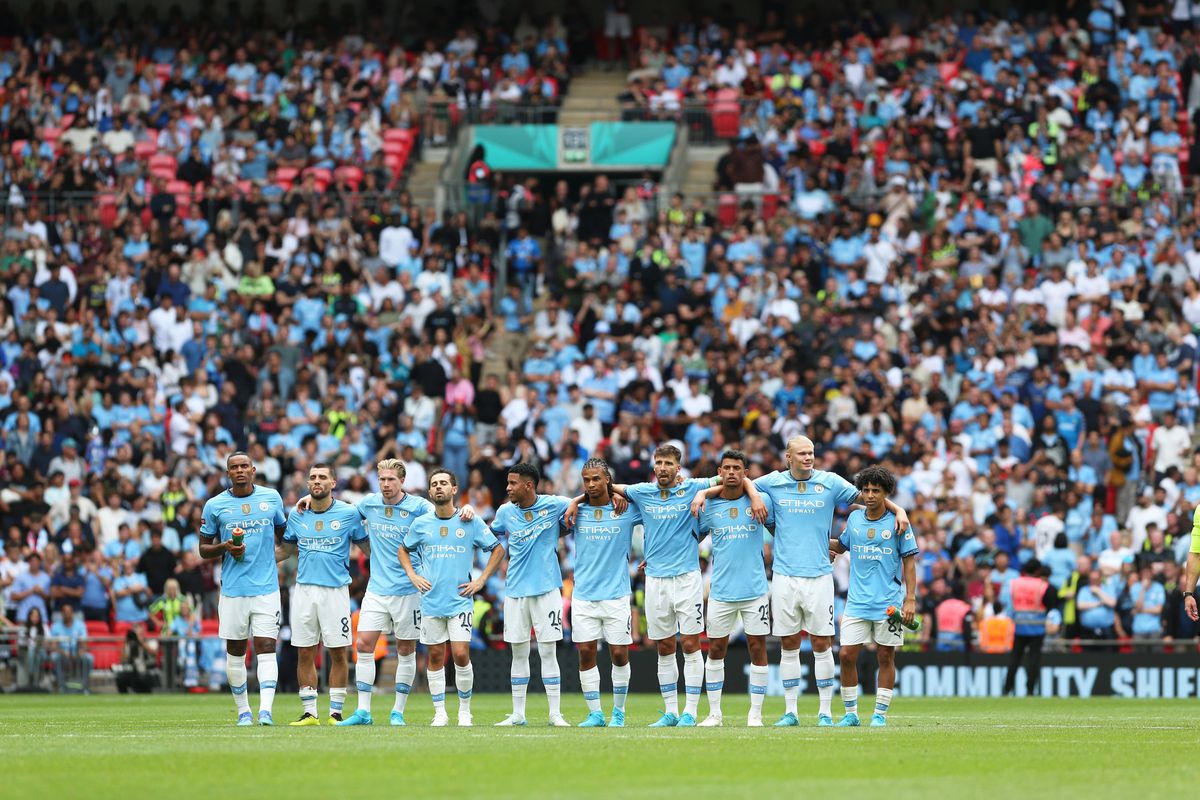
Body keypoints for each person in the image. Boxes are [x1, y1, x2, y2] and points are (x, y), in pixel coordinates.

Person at [693, 435, 907, 726]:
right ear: (788, 457)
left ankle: (825, 713)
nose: (808, 457)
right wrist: (728, 494)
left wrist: (899, 510)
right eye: (802, 453)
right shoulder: (772, 482)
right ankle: (791, 711)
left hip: (819, 575)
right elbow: (740, 481)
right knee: (789, 643)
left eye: (811, 453)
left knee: (822, 642)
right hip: (783, 575)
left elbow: (870, 498)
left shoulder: (830, 482)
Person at [591, 444, 763, 728]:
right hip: (656, 579)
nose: (662, 467)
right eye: (658, 462)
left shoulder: (693, 487)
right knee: (664, 646)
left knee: (692, 644)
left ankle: (690, 712)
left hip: (686, 577)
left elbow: (734, 478)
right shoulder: (642, 492)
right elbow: (606, 485)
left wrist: (742, 494)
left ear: (677, 468)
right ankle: (671, 711)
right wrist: (582, 500)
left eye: (668, 463)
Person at [400, 468, 505, 727]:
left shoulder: (470, 520)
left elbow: (497, 549)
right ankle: (440, 713)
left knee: (460, 654)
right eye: (434, 483)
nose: (438, 487)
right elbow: (403, 549)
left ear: (454, 489)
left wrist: (480, 581)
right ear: (429, 491)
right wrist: (413, 576)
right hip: (431, 601)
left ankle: (465, 711)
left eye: (443, 483)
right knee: (435, 656)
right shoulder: (422, 523)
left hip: (460, 601)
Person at [199, 451, 287, 726]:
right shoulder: (214, 505)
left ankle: (266, 711)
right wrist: (224, 547)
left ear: (253, 470)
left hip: (266, 588)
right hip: (233, 589)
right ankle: (243, 711)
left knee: (265, 646)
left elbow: (285, 539)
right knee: (236, 650)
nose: (239, 470)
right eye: (234, 467)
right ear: (228, 473)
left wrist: (268, 560)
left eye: (244, 466)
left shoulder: (272, 498)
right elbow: (203, 549)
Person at [278, 463, 368, 727]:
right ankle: (310, 713)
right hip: (304, 590)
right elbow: (285, 551)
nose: (317, 481)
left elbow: (366, 547)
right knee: (305, 652)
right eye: (313, 477)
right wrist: (254, 558)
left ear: (333, 483)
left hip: (336, 591)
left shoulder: (349, 513)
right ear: (308, 484)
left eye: (322, 477)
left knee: (338, 653)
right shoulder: (297, 515)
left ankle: (336, 713)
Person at [828, 466, 919, 727]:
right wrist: (818, 543)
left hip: (888, 603)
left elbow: (909, 562)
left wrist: (910, 599)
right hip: (857, 601)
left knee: (885, 656)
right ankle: (851, 714)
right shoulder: (854, 519)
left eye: (875, 491)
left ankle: (879, 713)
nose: (869, 495)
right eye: (866, 490)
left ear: (886, 493)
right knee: (846, 655)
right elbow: (842, 546)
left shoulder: (898, 522)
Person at [490, 463, 574, 727]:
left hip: (547, 590)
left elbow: (580, 502)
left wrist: (574, 508)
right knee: (519, 653)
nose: (508, 488)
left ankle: (555, 714)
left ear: (528, 485)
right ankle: (518, 714)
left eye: (513, 483)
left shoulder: (554, 504)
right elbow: (489, 534)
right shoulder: (504, 512)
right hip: (514, 592)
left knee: (548, 652)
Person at [696, 450, 775, 727]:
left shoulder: (760, 501)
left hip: (755, 590)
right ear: (720, 471)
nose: (731, 472)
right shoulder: (710, 507)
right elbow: (691, 539)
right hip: (721, 591)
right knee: (716, 649)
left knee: (758, 648)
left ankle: (756, 713)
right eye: (727, 468)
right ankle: (714, 713)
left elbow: (782, 532)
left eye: (737, 468)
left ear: (745, 473)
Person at [562, 457, 642, 728]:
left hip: (617, 595)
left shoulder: (627, 509)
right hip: (583, 595)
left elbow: (650, 500)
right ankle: (595, 713)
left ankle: (618, 712)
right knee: (586, 652)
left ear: (608, 479)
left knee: (619, 654)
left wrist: (619, 492)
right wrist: (575, 501)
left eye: (597, 478)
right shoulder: (576, 511)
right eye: (587, 480)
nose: (592, 484)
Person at [1002, 559, 1058, 695]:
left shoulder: (1014, 583)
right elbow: (1051, 604)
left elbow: (1008, 602)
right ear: (1038, 571)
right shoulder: (1042, 585)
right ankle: (1030, 690)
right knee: (1033, 660)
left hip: (1019, 626)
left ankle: (1006, 689)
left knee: (1014, 659)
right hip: (1037, 628)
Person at [49, 603, 92, 693]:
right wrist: (63, 652)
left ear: (72, 613)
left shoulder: (80, 625)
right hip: (62, 653)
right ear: (62, 614)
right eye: (65, 612)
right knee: (55, 657)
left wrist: (79, 652)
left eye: (69, 612)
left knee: (89, 658)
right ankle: (62, 687)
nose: (67, 614)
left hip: (77, 652)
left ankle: (83, 687)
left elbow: (84, 643)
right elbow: (53, 646)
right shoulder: (56, 626)